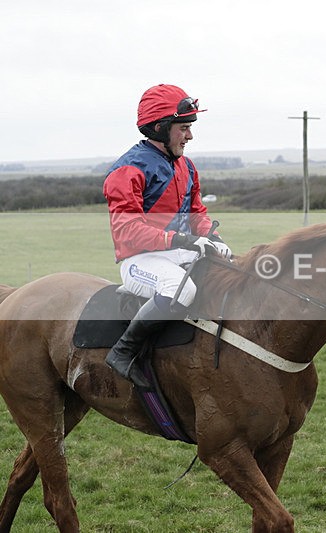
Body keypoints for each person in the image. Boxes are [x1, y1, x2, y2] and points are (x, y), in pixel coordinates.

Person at [103, 83, 232, 387]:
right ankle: (123, 351)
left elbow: (197, 213)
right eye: (184, 128)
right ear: (161, 127)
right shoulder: (128, 170)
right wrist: (184, 241)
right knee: (181, 290)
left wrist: (215, 239)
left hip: (178, 252)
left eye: (190, 128)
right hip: (140, 260)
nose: (190, 136)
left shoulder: (186, 166)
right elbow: (128, 230)